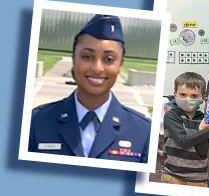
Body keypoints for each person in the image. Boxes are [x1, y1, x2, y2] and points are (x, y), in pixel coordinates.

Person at [29, 14, 151, 163]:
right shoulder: (37, 122)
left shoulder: (143, 132)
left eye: (109, 59)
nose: (97, 68)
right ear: (74, 59)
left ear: (120, 65)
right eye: (87, 56)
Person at [161, 72, 209, 187]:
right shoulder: (171, 116)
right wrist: (205, 130)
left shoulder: (204, 119)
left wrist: (205, 128)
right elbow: (183, 141)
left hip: (198, 179)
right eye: (183, 95)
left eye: (194, 96)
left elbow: (202, 151)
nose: (188, 99)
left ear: (203, 98)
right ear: (175, 95)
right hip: (173, 177)